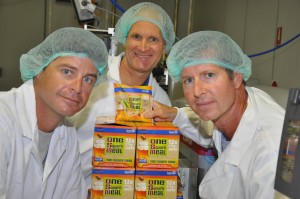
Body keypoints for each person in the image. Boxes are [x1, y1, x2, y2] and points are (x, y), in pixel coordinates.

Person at [69, 2, 213, 189]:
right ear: (125, 40)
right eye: (136, 37)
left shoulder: (160, 101)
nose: (144, 47)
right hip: (71, 187)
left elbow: (155, 160)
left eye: (153, 39)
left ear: (164, 48)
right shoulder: (94, 77)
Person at [145, 31, 285, 198]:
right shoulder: (238, 107)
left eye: (209, 75)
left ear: (236, 77)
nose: (197, 91)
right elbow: (207, 128)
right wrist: (173, 115)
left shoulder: (273, 150)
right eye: (188, 80)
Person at [0, 27, 108, 199]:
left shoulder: (67, 134)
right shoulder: (3, 119)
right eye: (67, 72)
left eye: (88, 79)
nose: (77, 87)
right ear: (39, 69)